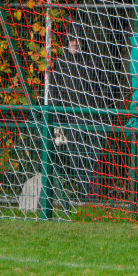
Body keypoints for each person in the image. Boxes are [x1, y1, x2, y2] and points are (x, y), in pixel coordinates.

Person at [49, 24, 116, 200]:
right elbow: (54, 95)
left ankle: (94, 198)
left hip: (93, 122)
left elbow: (107, 90)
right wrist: (58, 123)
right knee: (76, 161)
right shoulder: (61, 64)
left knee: (94, 160)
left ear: (83, 42)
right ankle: (83, 198)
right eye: (72, 39)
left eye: (78, 40)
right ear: (67, 41)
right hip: (71, 122)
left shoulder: (95, 62)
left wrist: (100, 113)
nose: (75, 43)